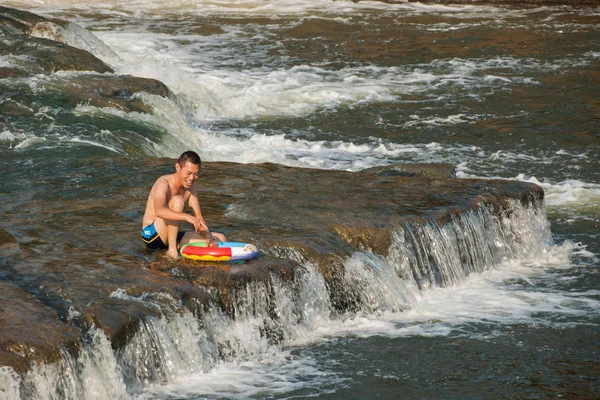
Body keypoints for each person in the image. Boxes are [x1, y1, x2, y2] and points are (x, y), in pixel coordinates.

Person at [141, 151, 226, 259]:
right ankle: (172, 251)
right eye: (188, 173)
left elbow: (198, 217)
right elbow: (160, 211)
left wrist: (209, 238)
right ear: (178, 167)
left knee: (220, 239)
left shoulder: (191, 187)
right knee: (178, 201)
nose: (191, 178)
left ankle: (175, 247)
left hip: (171, 235)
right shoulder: (163, 183)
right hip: (152, 235)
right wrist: (186, 216)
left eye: (196, 174)